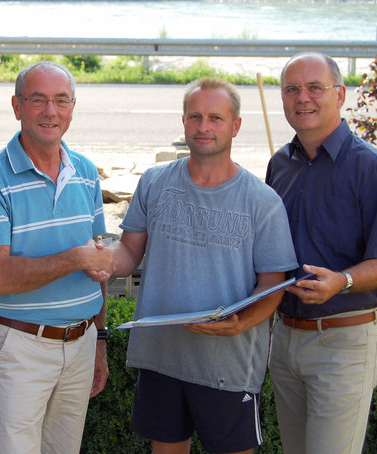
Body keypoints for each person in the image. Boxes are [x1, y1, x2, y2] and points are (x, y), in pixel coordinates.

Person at [107, 77, 298, 454]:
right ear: (183, 122)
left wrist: (240, 324)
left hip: (227, 366)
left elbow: (272, 285)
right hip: (161, 356)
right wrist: (102, 259)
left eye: (215, 117)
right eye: (195, 117)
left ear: (236, 126)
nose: (204, 127)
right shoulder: (155, 181)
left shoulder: (262, 201)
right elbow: (128, 253)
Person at [0, 60, 112, 454]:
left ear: (73, 107)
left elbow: (98, 266)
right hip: (20, 344)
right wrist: (75, 258)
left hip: (81, 343)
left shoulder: (85, 171)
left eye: (61, 100)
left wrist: (99, 340)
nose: (51, 111)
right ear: (17, 107)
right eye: (38, 100)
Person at [266, 53, 377, 454]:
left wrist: (341, 282)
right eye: (292, 89)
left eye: (315, 87)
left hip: (343, 343)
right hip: (286, 341)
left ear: (340, 94)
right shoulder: (280, 164)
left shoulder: (371, 167)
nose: (302, 98)